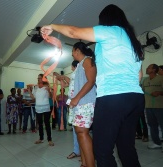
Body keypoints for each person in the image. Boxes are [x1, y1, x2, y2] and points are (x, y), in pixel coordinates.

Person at [41, 4, 145, 167]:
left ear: (105, 20)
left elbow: (74, 32)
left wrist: (51, 26)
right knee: (126, 148)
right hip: (135, 98)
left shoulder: (111, 31)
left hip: (113, 97)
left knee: (102, 151)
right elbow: (139, 75)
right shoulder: (134, 42)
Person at [55, 61, 81, 159]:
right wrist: (61, 79)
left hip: (79, 104)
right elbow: (65, 85)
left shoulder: (79, 72)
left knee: (82, 131)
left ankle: (83, 152)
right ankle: (77, 151)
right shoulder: (75, 75)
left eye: (71, 67)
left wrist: (61, 76)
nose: (71, 68)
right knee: (76, 129)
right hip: (73, 105)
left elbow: (68, 81)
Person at [29, 74, 54, 146]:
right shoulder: (35, 87)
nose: (38, 79)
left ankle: (49, 139)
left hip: (46, 107)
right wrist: (29, 91)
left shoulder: (47, 87)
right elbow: (33, 98)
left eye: (40, 78)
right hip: (38, 108)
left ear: (44, 79)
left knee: (47, 124)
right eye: (38, 78)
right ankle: (41, 138)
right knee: (40, 124)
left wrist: (49, 91)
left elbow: (50, 97)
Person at [142, 64, 163, 150]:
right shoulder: (145, 80)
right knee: (152, 125)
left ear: (154, 70)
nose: (147, 69)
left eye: (149, 67)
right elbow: (143, 90)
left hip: (160, 106)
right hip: (148, 106)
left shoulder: (161, 78)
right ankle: (157, 143)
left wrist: (159, 92)